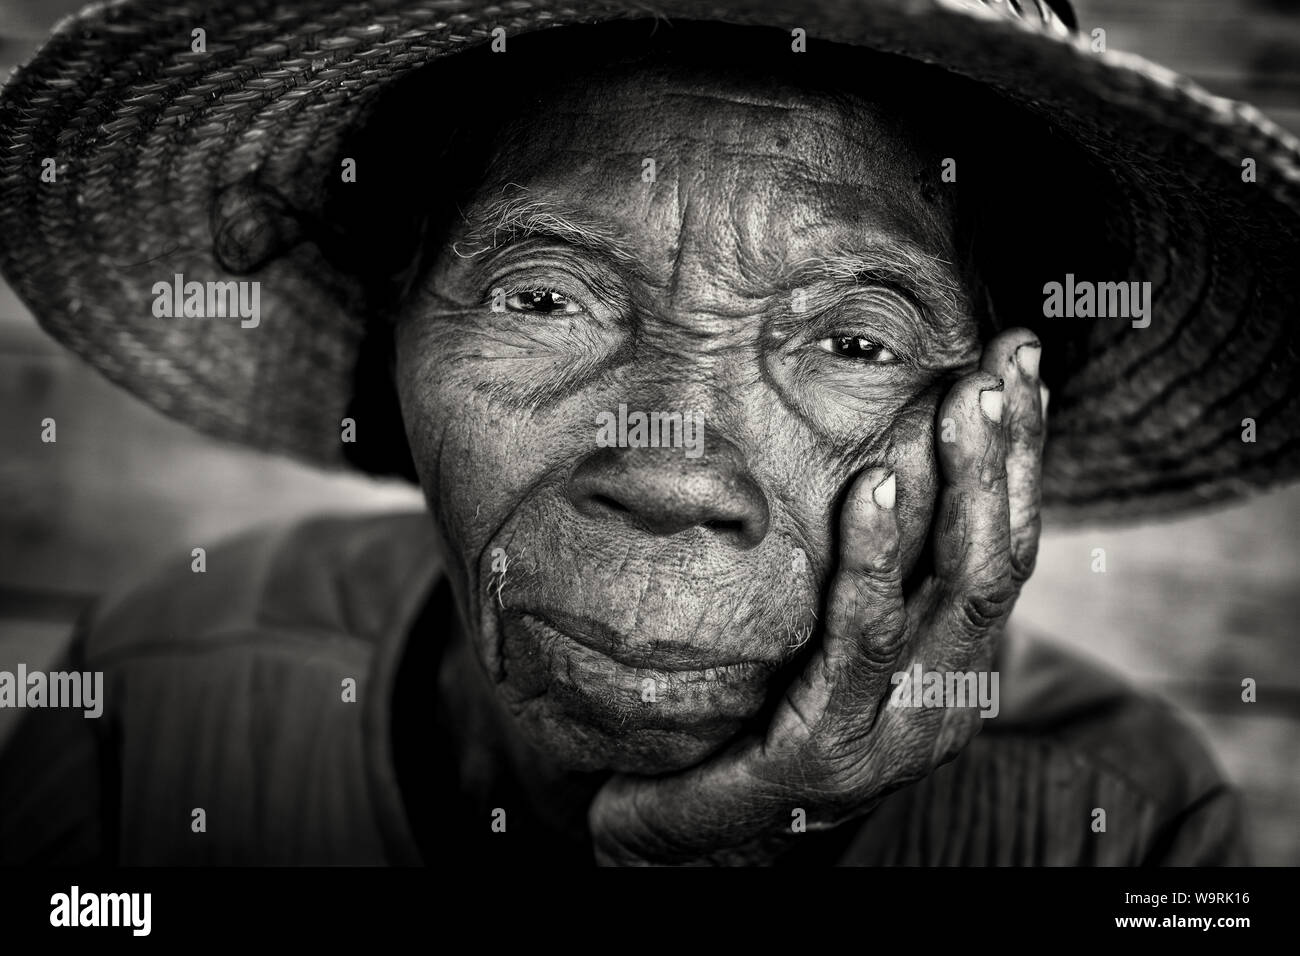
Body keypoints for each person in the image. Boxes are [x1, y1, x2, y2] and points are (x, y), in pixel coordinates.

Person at [2, 0, 1295, 866]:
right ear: (391, 327)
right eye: (548, 297)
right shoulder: (154, 705)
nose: (674, 471)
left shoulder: (1113, 826)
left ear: (990, 427)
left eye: (853, 341)